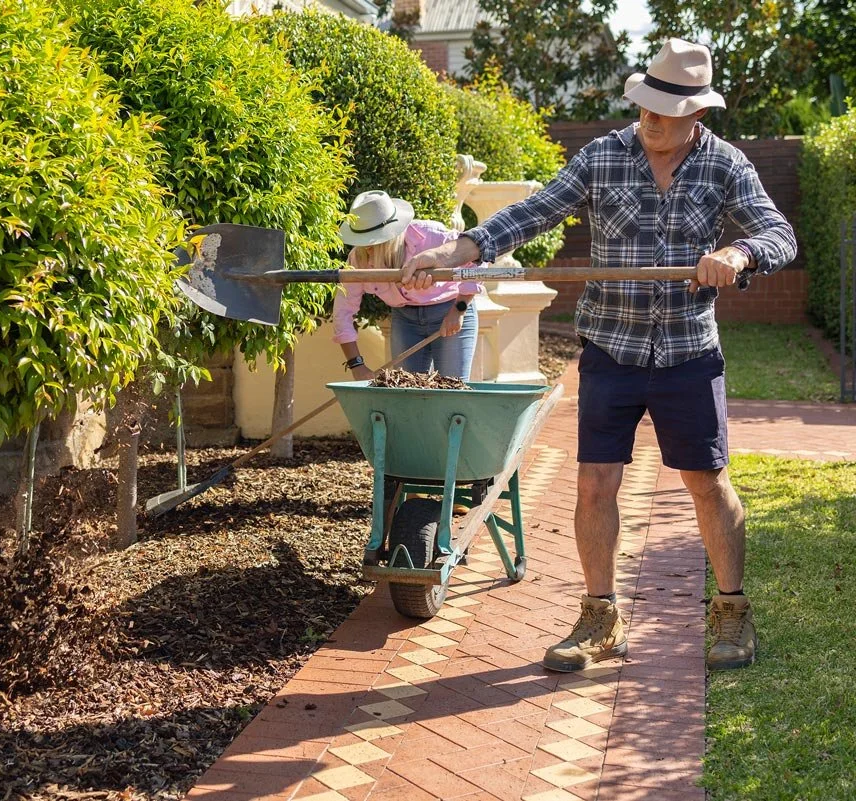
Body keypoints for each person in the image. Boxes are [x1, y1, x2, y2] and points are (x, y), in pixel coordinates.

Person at [400, 39, 797, 672]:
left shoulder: (726, 165)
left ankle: (731, 614)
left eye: (666, 111)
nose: (650, 120)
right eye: (645, 105)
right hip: (611, 348)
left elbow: (779, 232)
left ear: (698, 114)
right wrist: (459, 250)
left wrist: (739, 255)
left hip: (689, 353)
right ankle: (599, 616)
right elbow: (534, 212)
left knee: (706, 482)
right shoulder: (605, 156)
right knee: (594, 484)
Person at [333, 190, 483, 381]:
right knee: (407, 390)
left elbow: (477, 257)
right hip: (405, 320)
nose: (366, 248)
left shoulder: (430, 236)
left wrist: (459, 309)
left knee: (453, 390)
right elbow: (343, 311)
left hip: (450, 310)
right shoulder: (357, 258)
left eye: (371, 241)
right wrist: (356, 364)